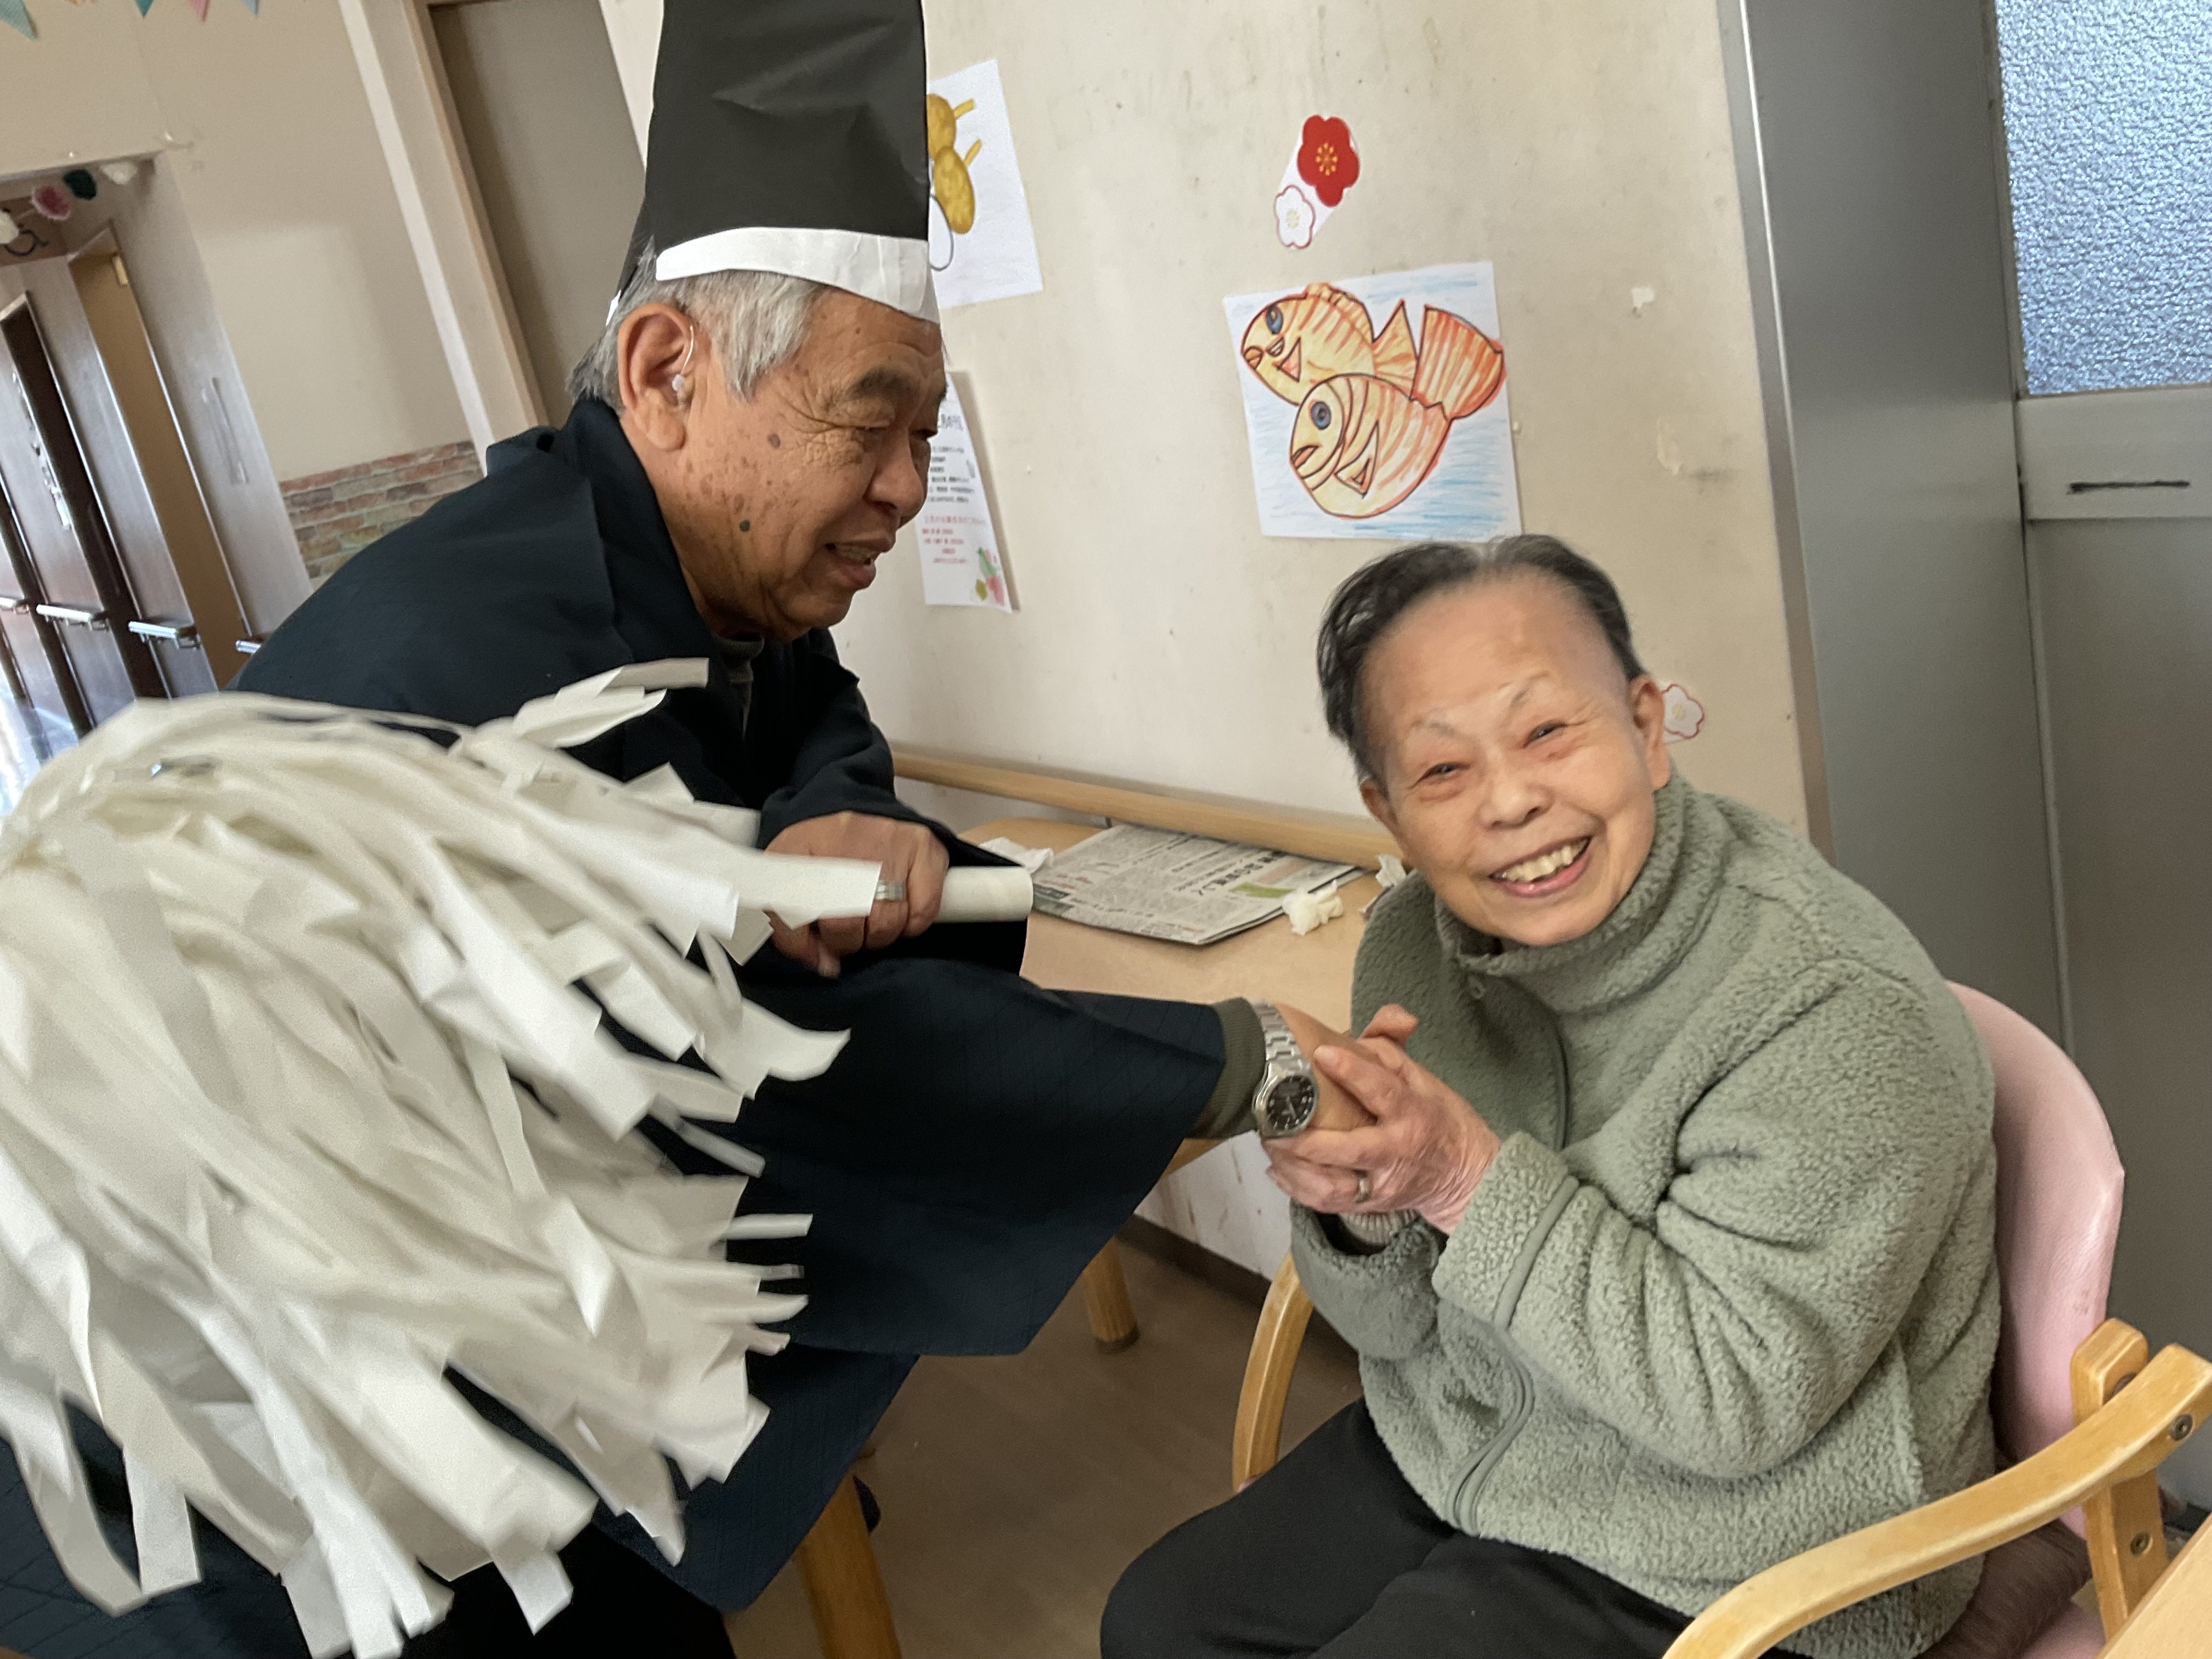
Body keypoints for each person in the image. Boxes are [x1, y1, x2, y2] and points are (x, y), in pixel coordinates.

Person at [0, 3, 1349, 1655]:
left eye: (928, 434)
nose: (908, 487)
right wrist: (1234, 1063)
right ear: (664, 374)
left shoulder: (673, 558)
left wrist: (837, 812)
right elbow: (767, 1076)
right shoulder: (476, 659)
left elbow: (807, 699)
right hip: (235, 1424)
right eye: (871, 421)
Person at [1104, 537, 2002, 1659]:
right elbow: (1390, 1328)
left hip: (1748, 1540)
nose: (1514, 802)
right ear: (1389, 811)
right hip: (1479, 1442)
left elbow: (1738, 1408)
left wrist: (1457, 1178)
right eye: (1443, 771)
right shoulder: (1412, 944)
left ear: (1646, 728)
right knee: (1155, 1622)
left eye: (1547, 733)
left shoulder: (1828, 1003)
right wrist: (1364, 1209)